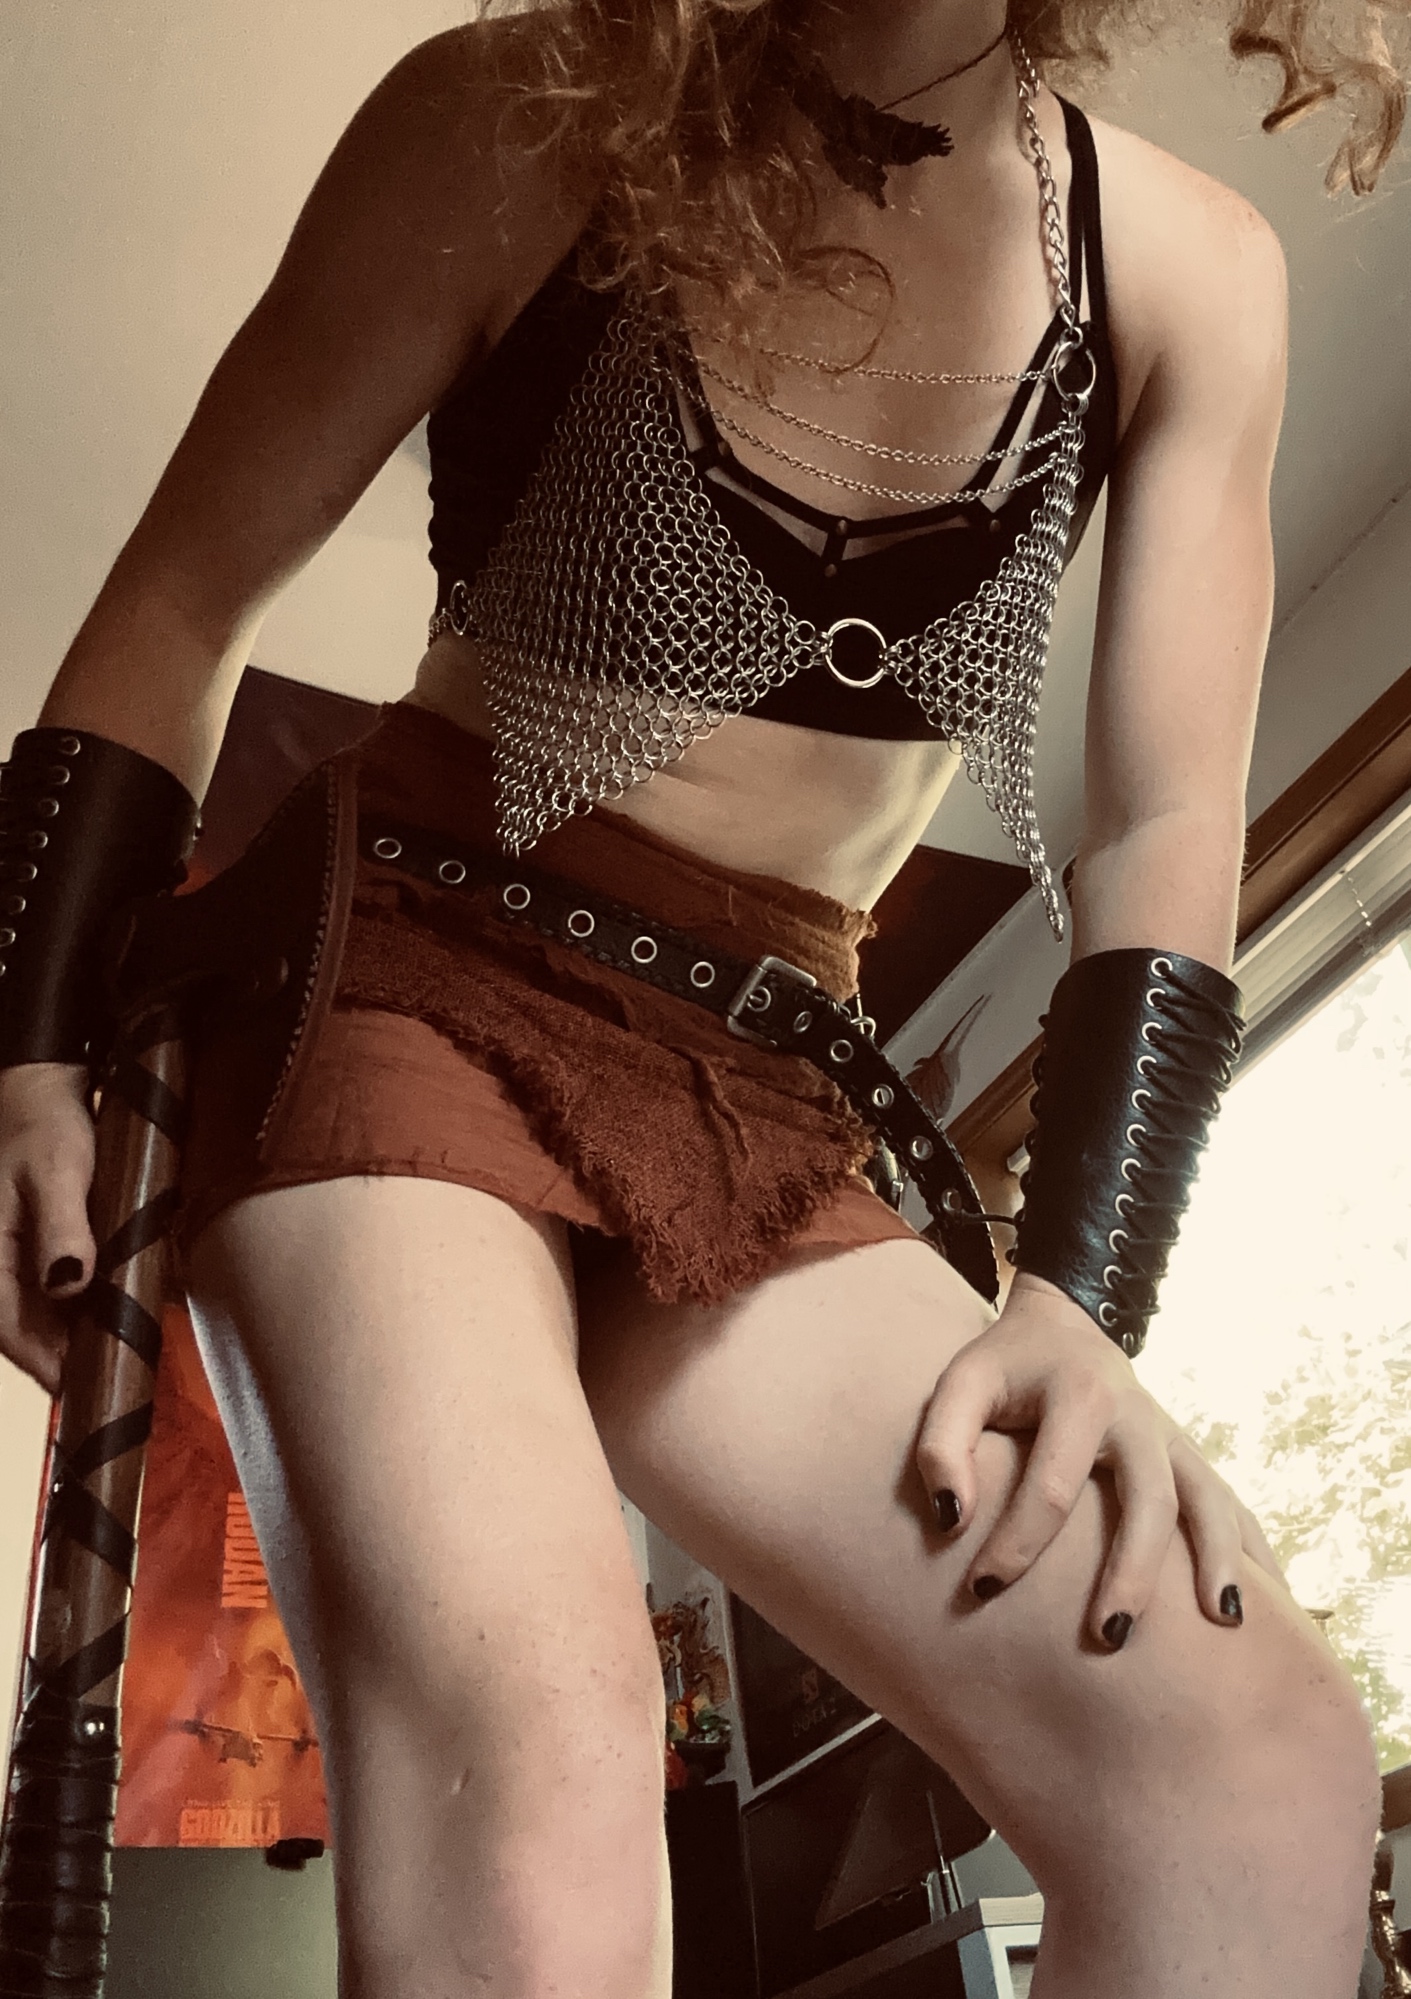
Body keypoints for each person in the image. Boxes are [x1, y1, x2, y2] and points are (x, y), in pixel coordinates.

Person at [0, 0, 1394, 1992]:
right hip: (409, 952)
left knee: (1245, 1764)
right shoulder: (520, 117)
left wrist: (1088, 1289)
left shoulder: (1191, 272)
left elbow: (1169, 818)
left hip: (764, 1074)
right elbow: (177, 596)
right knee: (541, 1775)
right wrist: (28, 1043)